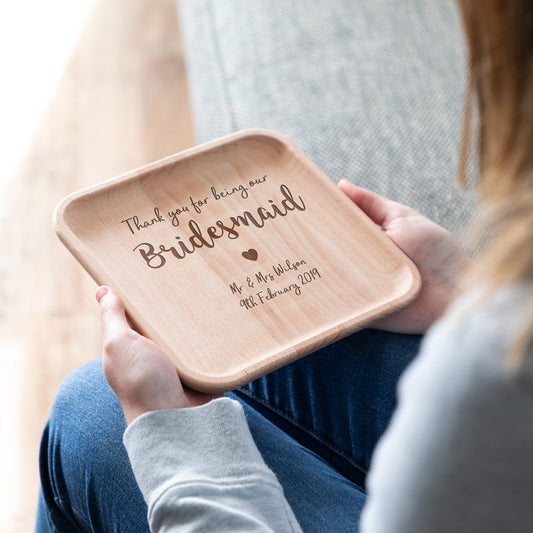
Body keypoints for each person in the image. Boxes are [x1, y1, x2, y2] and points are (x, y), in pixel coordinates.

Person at [36, 0, 533, 531]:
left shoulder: (477, 380)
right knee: (267, 331)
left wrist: (180, 447)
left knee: (93, 415)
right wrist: (468, 293)